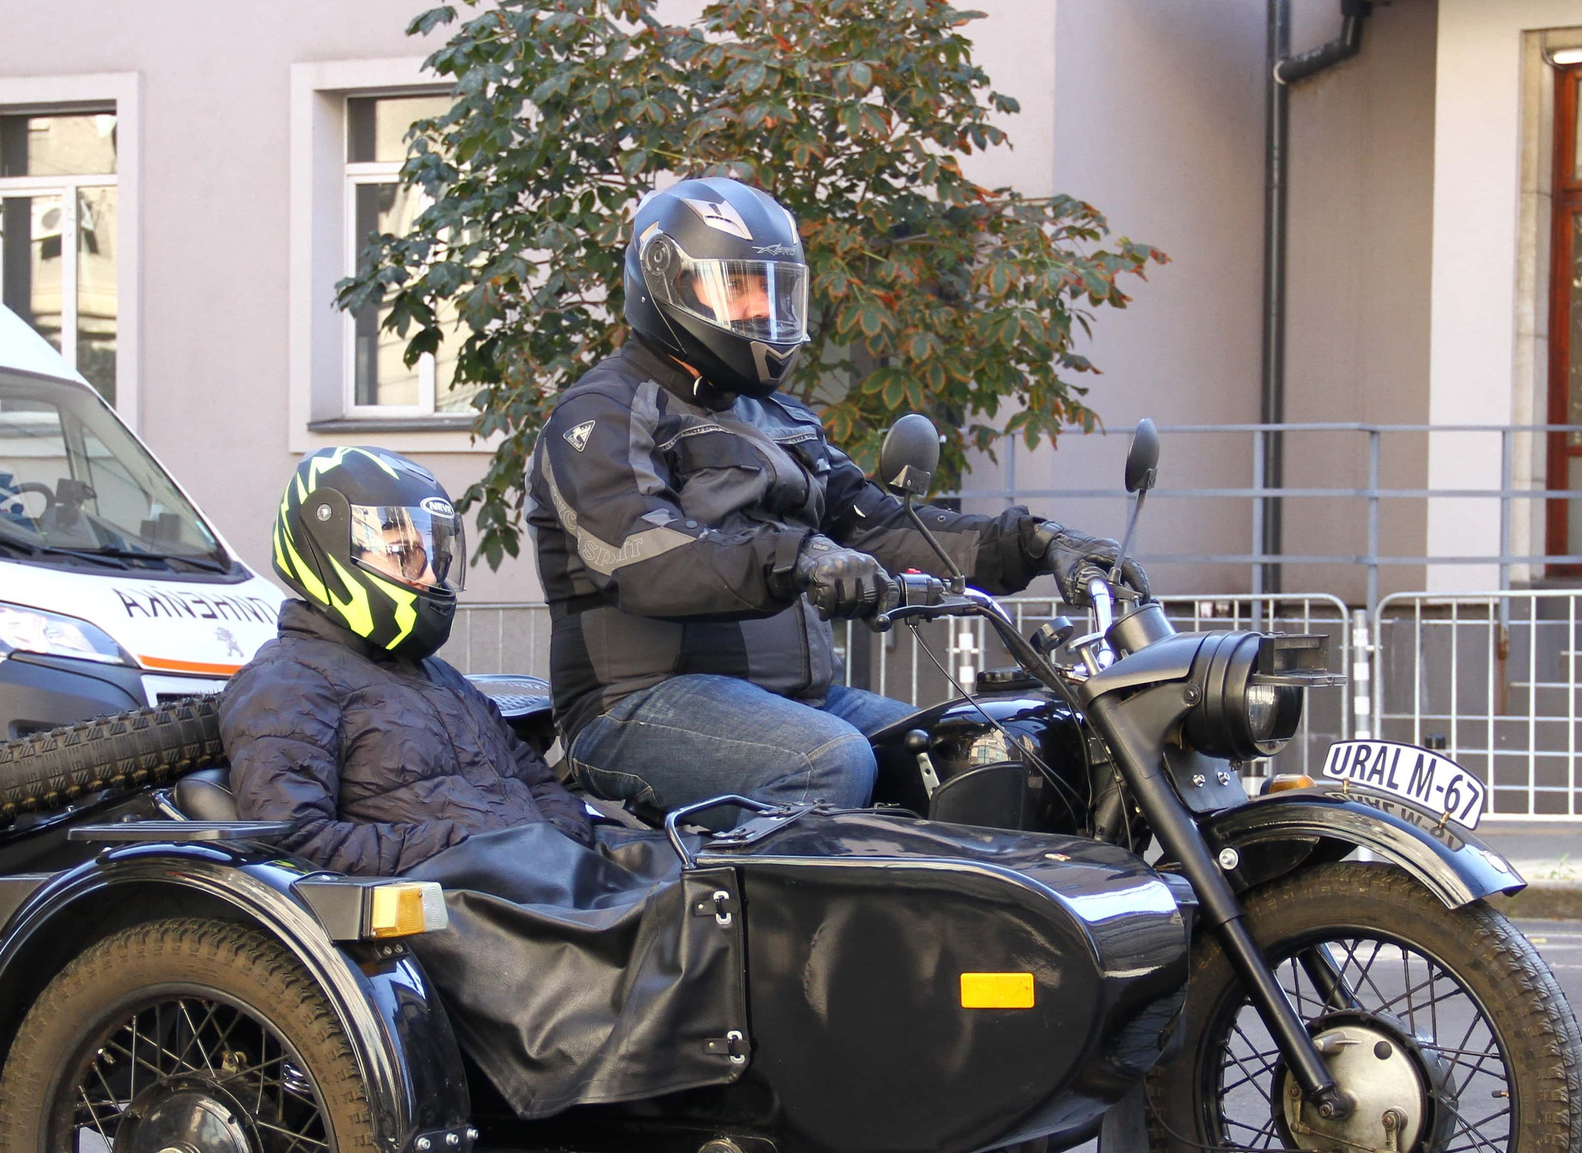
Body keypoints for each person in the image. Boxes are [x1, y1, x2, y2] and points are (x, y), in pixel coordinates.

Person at [529, 175, 1149, 815]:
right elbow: (642, 555)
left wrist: (1036, 544)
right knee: (826, 761)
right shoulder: (602, 414)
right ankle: (789, 919)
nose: (760, 311)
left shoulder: (778, 416)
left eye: (773, 289)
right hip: (638, 704)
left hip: (796, 702)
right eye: (738, 287)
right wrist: (796, 556)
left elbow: (876, 526)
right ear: (665, 280)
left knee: (985, 751)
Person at [222, 446, 595, 875]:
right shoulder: (286, 684)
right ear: (326, 547)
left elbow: (540, 785)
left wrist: (557, 843)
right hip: (461, 915)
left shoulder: (440, 677)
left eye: (435, 554)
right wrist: (469, 847)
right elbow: (294, 840)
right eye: (404, 552)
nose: (431, 576)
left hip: (550, 886)